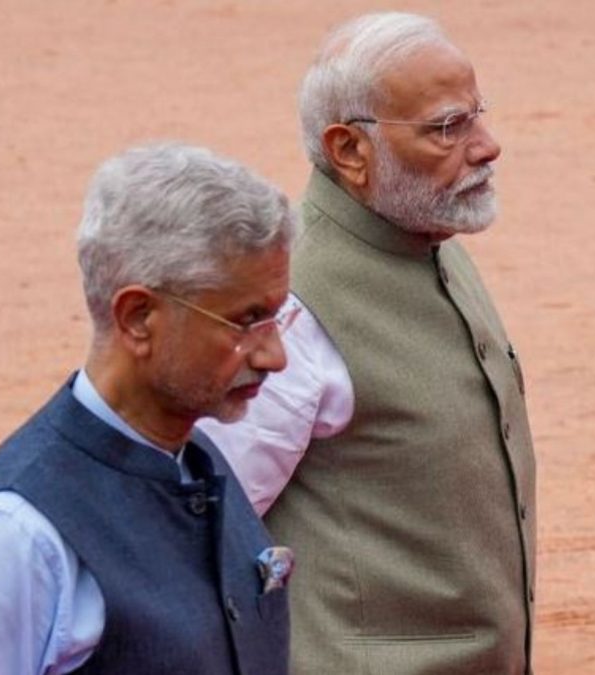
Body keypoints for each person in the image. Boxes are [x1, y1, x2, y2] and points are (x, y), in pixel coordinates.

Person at [198, 12, 536, 674]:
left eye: (477, 114)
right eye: (447, 127)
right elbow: (201, 526)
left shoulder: (428, 235)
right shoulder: (292, 312)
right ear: (350, 150)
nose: (487, 145)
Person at [0, 143, 297, 675]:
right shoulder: (14, 542)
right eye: (246, 321)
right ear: (138, 317)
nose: (274, 355)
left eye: (276, 317)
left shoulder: (201, 463)